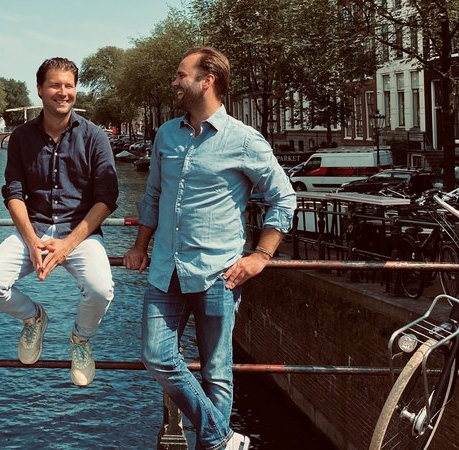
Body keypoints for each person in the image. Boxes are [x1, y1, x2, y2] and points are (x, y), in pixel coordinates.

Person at [123, 47, 296, 449]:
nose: (174, 82)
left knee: (217, 373)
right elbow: (153, 195)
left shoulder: (244, 140)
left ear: (207, 81)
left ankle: (213, 444)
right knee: (156, 355)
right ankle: (222, 439)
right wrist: (139, 245)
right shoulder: (166, 134)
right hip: (165, 268)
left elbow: (284, 197)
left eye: (181, 75)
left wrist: (261, 256)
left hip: (218, 273)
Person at [0, 57, 118, 387]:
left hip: (80, 233)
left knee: (100, 289)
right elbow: (14, 192)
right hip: (34, 227)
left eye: (69, 85)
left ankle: (80, 339)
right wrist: (30, 239)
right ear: (39, 89)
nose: (63, 92)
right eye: (55, 85)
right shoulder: (21, 137)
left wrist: (68, 245)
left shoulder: (95, 137)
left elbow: (107, 198)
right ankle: (34, 317)